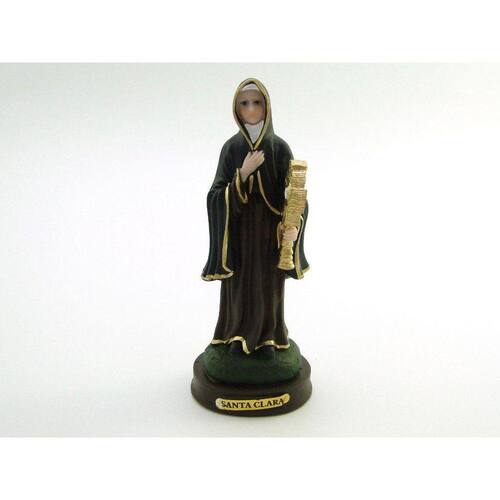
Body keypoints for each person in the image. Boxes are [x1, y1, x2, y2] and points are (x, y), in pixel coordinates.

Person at [201, 78, 309, 358]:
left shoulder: (279, 148)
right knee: (239, 285)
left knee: (268, 285)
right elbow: (215, 196)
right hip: (239, 233)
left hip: (269, 234)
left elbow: (295, 196)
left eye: (257, 102)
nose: (250, 109)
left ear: (267, 106)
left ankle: (268, 339)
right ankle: (235, 336)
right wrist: (243, 173)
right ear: (236, 108)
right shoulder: (231, 148)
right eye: (244, 103)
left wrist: (294, 226)